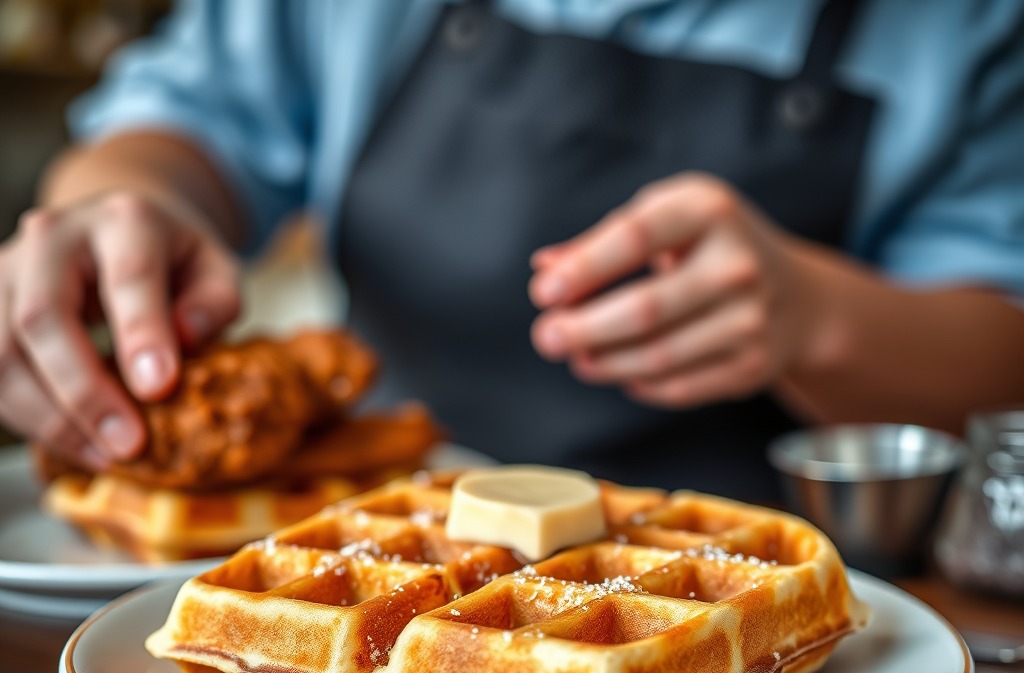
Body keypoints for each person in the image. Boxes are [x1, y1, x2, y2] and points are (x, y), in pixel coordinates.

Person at [1, 0, 1023, 501]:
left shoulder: (970, 25)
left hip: (786, 628)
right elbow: (185, 122)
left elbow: (998, 363)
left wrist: (814, 318)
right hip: (372, 524)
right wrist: (121, 204)